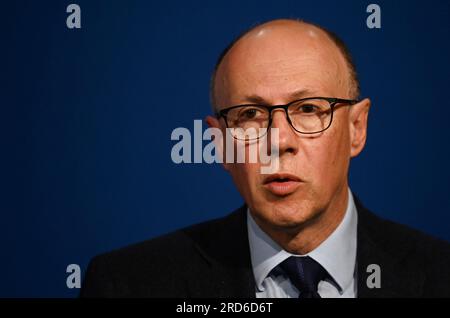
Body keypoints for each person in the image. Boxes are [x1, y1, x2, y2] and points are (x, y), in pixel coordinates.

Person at [80, 19, 450, 298]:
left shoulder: (438, 275)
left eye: (308, 108)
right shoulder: (129, 285)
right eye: (250, 115)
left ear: (357, 127)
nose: (279, 142)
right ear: (220, 142)